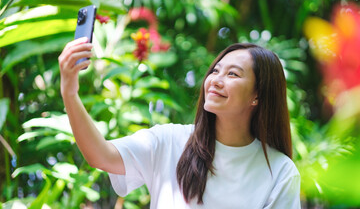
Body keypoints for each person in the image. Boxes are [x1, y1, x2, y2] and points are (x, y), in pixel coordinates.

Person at [59, 38, 301, 208]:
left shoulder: (280, 172)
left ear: (257, 96)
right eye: (215, 71)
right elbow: (101, 155)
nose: (215, 80)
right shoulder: (169, 140)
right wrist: (70, 92)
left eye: (232, 74)